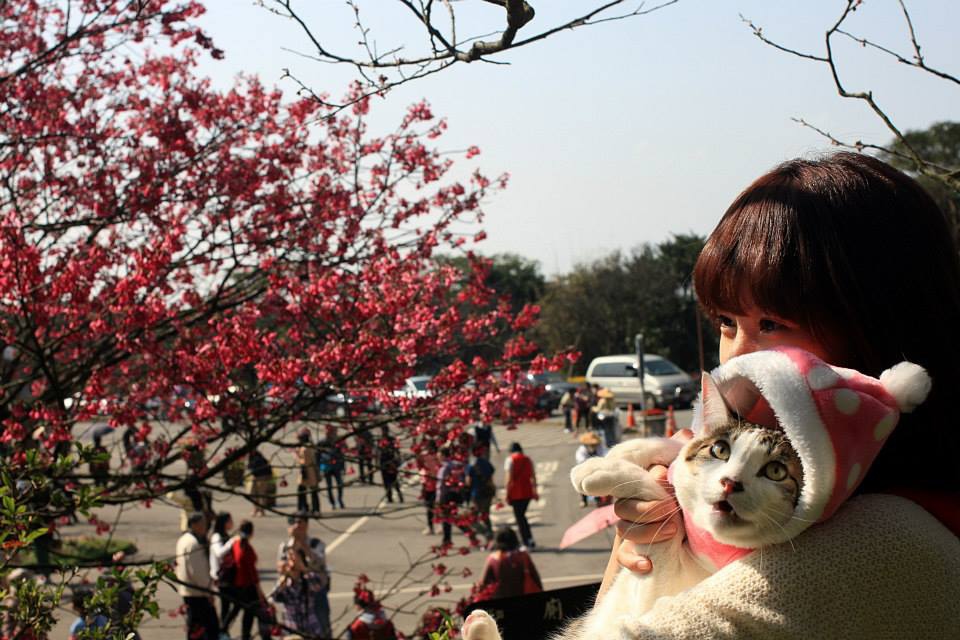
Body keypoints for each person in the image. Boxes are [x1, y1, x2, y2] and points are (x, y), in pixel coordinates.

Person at [599, 153, 960, 635]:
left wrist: (623, 574)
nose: (736, 359)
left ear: (880, 329)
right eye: (727, 323)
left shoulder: (880, 537)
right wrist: (644, 548)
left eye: (772, 324)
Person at [276, 512, 332, 639]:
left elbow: (320, 564)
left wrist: (303, 546)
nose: (297, 526)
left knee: (322, 625)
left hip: (315, 589)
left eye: (300, 523)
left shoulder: (316, 544)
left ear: (306, 525)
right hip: (294, 591)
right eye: (293, 523)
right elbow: (280, 567)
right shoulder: (285, 546)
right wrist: (292, 550)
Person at [175, 512, 220, 640]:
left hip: (188, 590)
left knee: (194, 628)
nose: (205, 527)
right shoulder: (193, 544)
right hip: (197, 592)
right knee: (209, 629)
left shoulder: (183, 539)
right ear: (194, 525)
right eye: (203, 524)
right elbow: (197, 572)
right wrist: (208, 592)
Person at [473, 526, 543, 602]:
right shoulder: (523, 557)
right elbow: (536, 578)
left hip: (500, 602)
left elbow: (483, 584)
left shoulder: (493, 559)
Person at [271, 545, 328, 637]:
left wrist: (303, 568)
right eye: (289, 559)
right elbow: (274, 597)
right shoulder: (285, 583)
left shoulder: (308, 579)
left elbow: (320, 584)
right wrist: (283, 577)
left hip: (310, 629)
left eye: (294, 559)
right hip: (291, 629)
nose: (292, 563)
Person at [226, 520, 267, 640]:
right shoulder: (247, 549)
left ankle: (223, 629)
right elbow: (253, 574)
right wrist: (260, 592)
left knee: (236, 609)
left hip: (237, 584)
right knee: (251, 613)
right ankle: (246, 635)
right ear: (251, 533)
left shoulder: (236, 544)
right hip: (248, 586)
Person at [504, 442, 538, 549]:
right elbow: (533, 476)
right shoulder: (528, 459)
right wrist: (535, 491)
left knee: (520, 518)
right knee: (522, 516)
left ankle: (526, 542)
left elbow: (508, 479)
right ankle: (529, 539)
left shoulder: (510, 460)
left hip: (515, 493)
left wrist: (507, 493)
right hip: (527, 492)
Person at [435, 446, 470, 546]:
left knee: (447, 519)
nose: (437, 456)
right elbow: (462, 479)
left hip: (446, 496)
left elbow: (440, 485)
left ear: (442, 455)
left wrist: (438, 499)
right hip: (456, 494)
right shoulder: (457, 465)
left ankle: (465, 533)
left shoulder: (444, 468)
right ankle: (448, 539)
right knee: (451, 518)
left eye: (439, 454)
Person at [209, 512, 237, 633]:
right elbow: (219, 552)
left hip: (227, 576)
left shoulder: (225, 535)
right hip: (220, 576)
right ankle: (222, 630)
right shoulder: (216, 537)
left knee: (227, 605)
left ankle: (223, 630)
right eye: (230, 521)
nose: (232, 523)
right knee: (228, 604)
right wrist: (232, 542)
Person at [466, 445, 497, 545]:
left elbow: (468, 482)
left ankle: (485, 534)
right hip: (487, 493)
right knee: (485, 515)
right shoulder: (486, 463)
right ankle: (490, 534)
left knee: (472, 518)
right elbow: (491, 479)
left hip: (476, 494)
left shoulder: (470, 465)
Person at [574, 431, 607, 507]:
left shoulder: (600, 446)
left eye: (594, 445)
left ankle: (598, 499)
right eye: (591, 445)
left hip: (597, 468)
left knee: (598, 482)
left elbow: (605, 455)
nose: (593, 446)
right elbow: (581, 461)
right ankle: (584, 500)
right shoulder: (581, 450)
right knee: (581, 483)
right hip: (584, 469)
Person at [295, 428, 321, 514]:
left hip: (306, 471)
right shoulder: (310, 446)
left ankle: (304, 508)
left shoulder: (304, 448)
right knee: (312, 491)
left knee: (302, 491)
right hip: (311, 470)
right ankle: (314, 508)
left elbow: (304, 461)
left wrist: (297, 456)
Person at [417, 441, 440, 535]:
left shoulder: (438, 457)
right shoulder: (423, 457)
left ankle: (439, 524)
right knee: (429, 507)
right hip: (428, 484)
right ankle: (430, 526)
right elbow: (420, 467)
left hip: (437, 485)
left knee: (438, 506)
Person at [317, 434, 346, 509]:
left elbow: (341, 455)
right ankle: (332, 502)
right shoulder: (321, 442)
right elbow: (318, 456)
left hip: (337, 467)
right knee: (329, 486)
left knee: (340, 484)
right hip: (326, 467)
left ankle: (340, 499)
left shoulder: (337, 441)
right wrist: (320, 468)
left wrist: (343, 467)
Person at [246, 449, 273, 517]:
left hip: (262, 477)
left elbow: (251, 467)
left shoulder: (259, 458)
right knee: (254, 494)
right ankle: (256, 509)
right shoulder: (253, 457)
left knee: (261, 495)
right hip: (256, 477)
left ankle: (261, 511)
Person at [379, 435, 404, 503]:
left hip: (392, 469)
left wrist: (394, 465)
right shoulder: (385, 450)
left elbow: (398, 460)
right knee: (389, 484)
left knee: (393, 483)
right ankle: (390, 497)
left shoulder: (394, 451)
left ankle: (397, 496)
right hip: (386, 469)